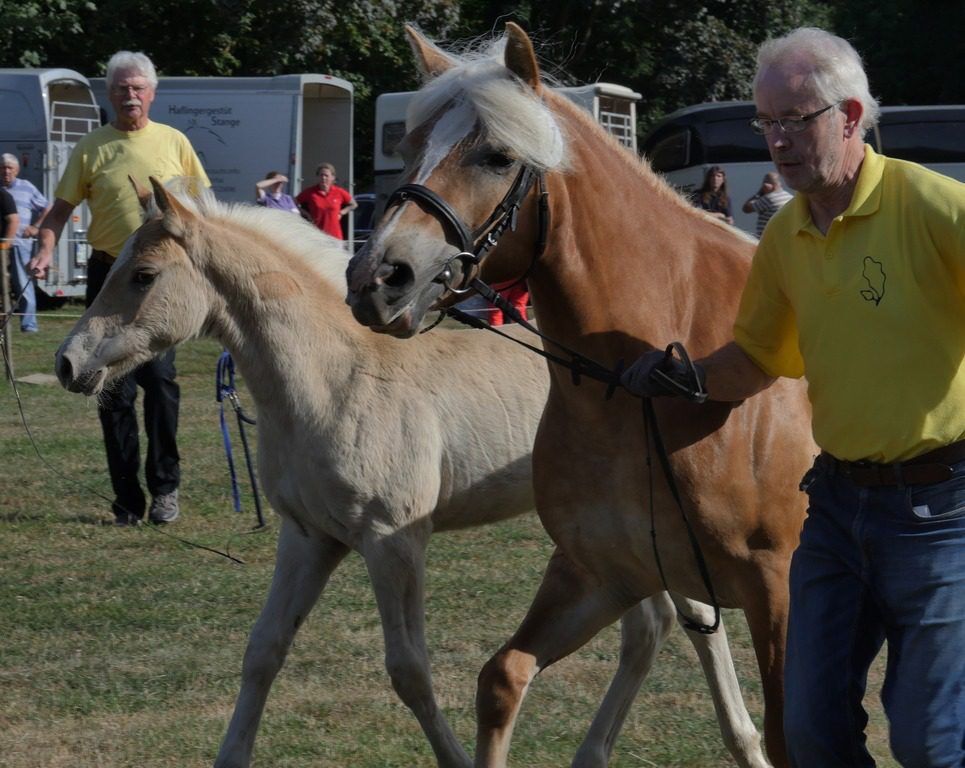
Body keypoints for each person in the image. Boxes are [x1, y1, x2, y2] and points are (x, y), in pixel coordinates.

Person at [621, 27, 965, 768]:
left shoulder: (935, 209)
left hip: (943, 514)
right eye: (765, 122)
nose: (776, 140)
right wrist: (679, 376)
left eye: (794, 119)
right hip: (835, 510)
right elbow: (757, 360)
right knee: (808, 736)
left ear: (847, 115)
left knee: (931, 743)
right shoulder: (784, 236)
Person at [31, 50, 210, 527]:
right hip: (109, 274)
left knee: (161, 382)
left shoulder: (175, 141)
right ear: (109, 94)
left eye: (138, 87)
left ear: (152, 92)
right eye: (121, 88)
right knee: (110, 387)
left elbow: (202, 207)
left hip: (160, 282)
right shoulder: (92, 146)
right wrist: (45, 248)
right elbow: (60, 210)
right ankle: (127, 500)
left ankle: (166, 490)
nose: (130, 95)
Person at [1, 154, 50, 332]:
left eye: (10, 167)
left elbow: (47, 207)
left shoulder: (26, 187)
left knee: (22, 283)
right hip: (2, 245)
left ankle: (29, 325)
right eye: (3, 167)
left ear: (17, 170)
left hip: (21, 243)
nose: (6, 171)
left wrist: (36, 227)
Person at [296, 162, 356, 239]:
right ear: (317, 177)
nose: (323, 178)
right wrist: (306, 214)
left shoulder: (339, 192)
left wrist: (341, 212)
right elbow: (292, 203)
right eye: (321, 175)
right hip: (316, 235)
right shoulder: (310, 192)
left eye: (326, 176)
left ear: (332, 177)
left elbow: (354, 204)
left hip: (335, 236)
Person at [741, 171, 792, 238]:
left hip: (767, 240)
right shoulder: (789, 197)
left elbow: (746, 208)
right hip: (782, 237)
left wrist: (759, 192)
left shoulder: (768, 199)